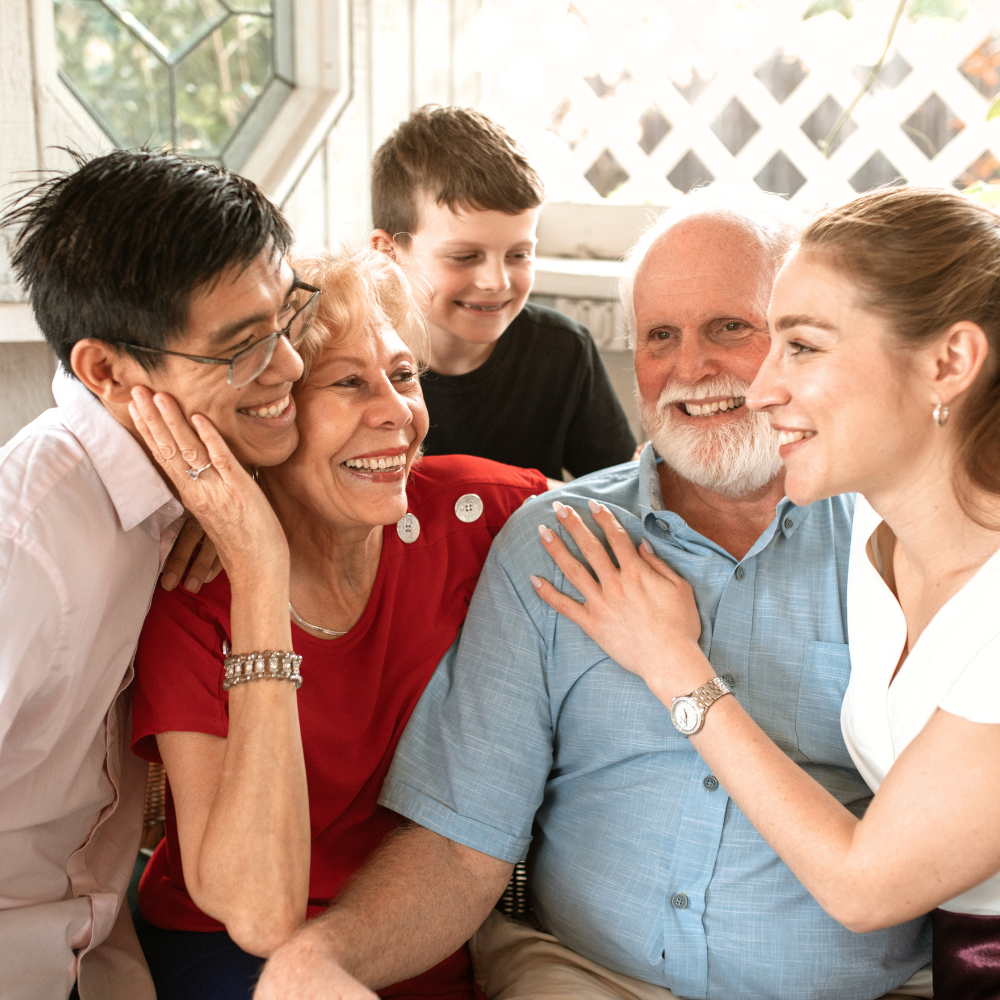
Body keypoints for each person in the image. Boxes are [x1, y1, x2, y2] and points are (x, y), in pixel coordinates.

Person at [253, 187, 932, 1000]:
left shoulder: (899, 539)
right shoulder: (553, 542)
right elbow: (462, 847)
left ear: (803, 343)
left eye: (730, 328)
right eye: (659, 337)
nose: (691, 368)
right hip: (585, 976)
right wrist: (323, 957)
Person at [530, 186, 1000, 999]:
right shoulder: (874, 536)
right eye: (771, 341)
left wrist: (673, 662)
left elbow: (864, 887)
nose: (761, 387)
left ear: (949, 362)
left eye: (805, 347)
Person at [127, 245, 551, 1000]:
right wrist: (260, 569)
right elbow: (258, 915)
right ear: (270, 415)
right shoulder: (193, 593)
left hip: (405, 940)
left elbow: (650, 504)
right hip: (228, 957)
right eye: (349, 383)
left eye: (404, 374)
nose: (397, 412)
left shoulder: (471, 514)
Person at [0, 148, 308, 1000]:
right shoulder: (24, 546)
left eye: (286, 322)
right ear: (106, 372)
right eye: (243, 349)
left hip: (101, 951)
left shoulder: (190, 485)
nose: (288, 368)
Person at [370, 105, 636, 479]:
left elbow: (618, 491)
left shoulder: (564, 352)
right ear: (388, 253)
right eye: (464, 256)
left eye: (519, 255)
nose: (497, 282)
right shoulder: (351, 361)